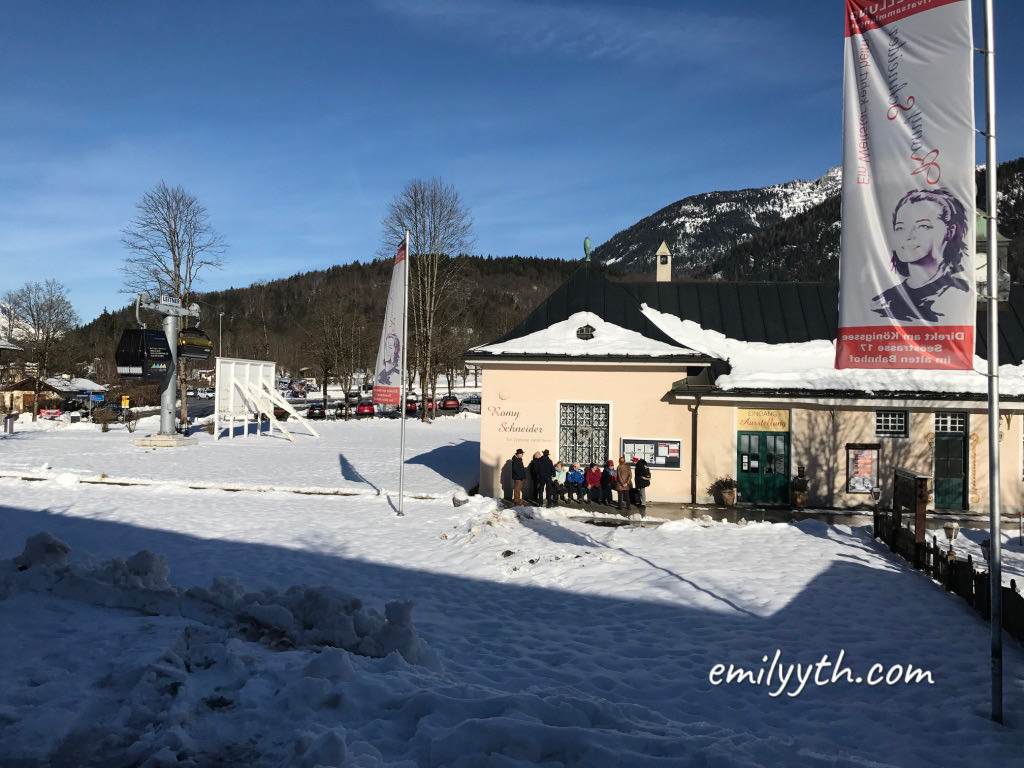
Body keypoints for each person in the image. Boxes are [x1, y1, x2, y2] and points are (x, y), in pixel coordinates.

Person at [871, 187, 971, 322]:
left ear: (950, 231)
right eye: (900, 228)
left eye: (923, 226)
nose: (908, 236)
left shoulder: (959, 295)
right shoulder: (882, 301)